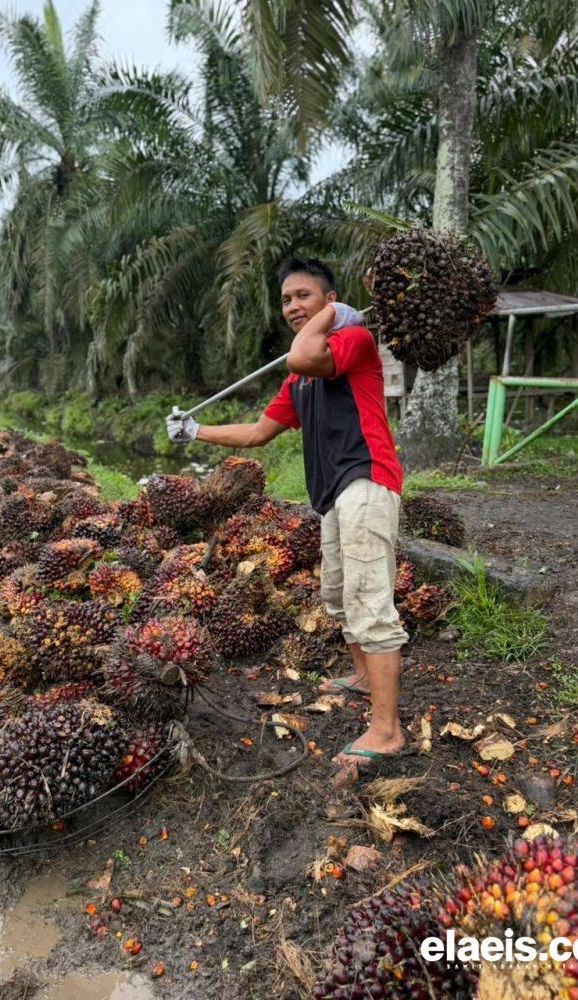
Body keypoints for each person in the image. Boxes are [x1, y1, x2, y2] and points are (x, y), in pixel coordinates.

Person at [166, 257, 410, 773]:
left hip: (366, 480)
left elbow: (303, 357)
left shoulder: (353, 342)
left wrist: (337, 316)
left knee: (370, 603)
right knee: (338, 595)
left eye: (305, 296)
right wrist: (196, 431)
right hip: (334, 494)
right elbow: (258, 432)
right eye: (286, 300)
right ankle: (363, 677)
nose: (294, 306)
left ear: (331, 299)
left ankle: (387, 731)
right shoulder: (300, 380)